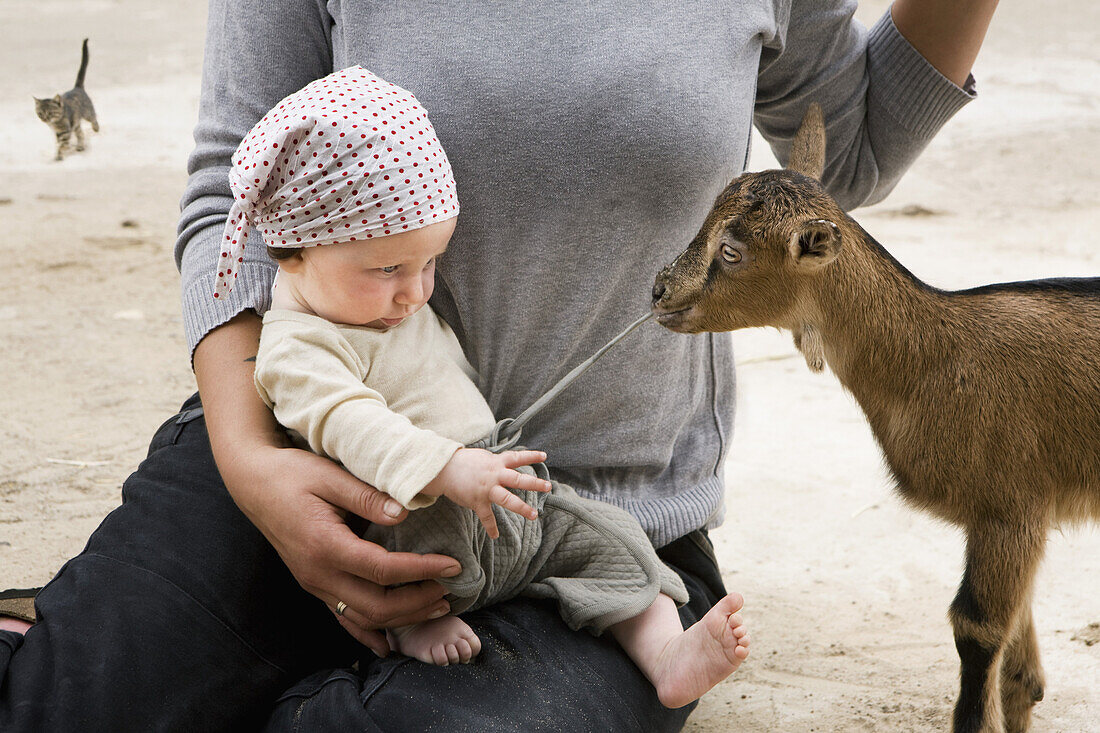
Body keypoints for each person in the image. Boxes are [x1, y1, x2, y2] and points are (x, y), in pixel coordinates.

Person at [0, 1, 997, 730]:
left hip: (584, 526)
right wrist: (248, 461)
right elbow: (234, 187)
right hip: (286, 459)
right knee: (67, 704)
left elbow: (848, 156)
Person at [239, 66, 750, 701]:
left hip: (501, 487)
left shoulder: (376, 298)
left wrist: (477, 464)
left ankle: (666, 654)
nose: (416, 291)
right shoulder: (296, 348)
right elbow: (350, 422)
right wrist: (447, 467)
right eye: (388, 268)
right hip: (426, 514)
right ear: (293, 250)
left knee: (610, 537)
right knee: (408, 555)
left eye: (430, 263)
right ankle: (414, 624)